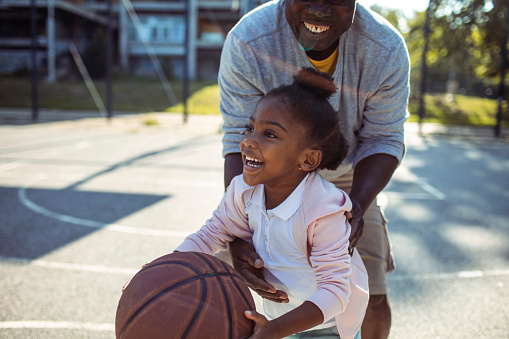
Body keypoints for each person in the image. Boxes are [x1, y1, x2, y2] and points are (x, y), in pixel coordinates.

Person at [219, 1, 410, 338]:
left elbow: (383, 139)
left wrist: (355, 208)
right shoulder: (249, 40)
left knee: (372, 294)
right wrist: (240, 228)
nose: (319, 7)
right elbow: (239, 137)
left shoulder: (385, 47)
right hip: (272, 173)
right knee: (232, 286)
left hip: (352, 175)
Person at [176, 68, 368, 339]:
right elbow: (208, 237)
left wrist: (277, 329)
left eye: (270, 135)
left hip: (328, 327)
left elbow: (335, 291)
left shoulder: (323, 210)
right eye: (250, 128)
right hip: (275, 321)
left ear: (308, 160)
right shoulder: (242, 191)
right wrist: (159, 273)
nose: (248, 142)